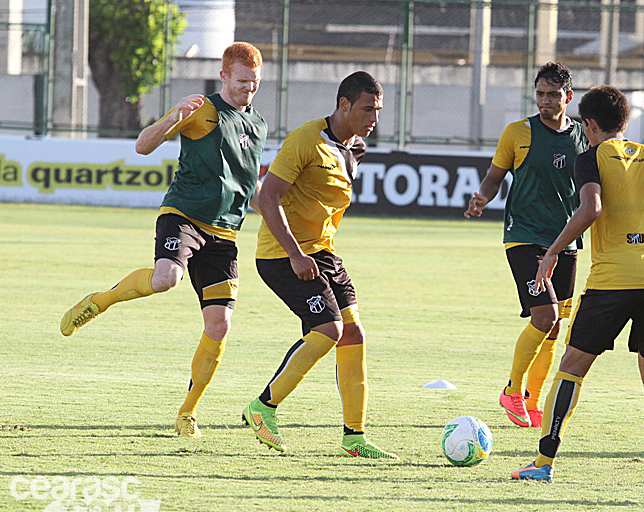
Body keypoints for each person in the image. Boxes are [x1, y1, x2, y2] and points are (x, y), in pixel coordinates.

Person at [60, 42, 268, 439]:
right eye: (242, 82)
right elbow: (143, 145)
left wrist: (276, 216)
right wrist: (174, 116)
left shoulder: (257, 123)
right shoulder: (202, 110)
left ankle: (187, 413)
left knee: (220, 325)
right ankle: (97, 302)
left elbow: (247, 185)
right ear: (224, 76)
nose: (248, 89)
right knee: (166, 278)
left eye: (255, 83)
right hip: (184, 216)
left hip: (225, 233)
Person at [510, 85, 644, 486]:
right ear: (626, 122)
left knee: (572, 367)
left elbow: (591, 208)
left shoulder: (591, 158)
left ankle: (544, 464)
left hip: (612, 282)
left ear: (591, 125)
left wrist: (551, 252)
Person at [241, 71, 398, 459]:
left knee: (354, 334)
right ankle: (263, 407)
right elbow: (269, 196)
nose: (373, 118)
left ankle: (354, 438)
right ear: (343, 105)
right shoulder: (305, 139)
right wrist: (295, 253)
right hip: (282, 255)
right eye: (366, 109)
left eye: (377, 110)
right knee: (328, 329)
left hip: (324, 253)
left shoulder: (356, 147)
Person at [465, 62, 588, 429]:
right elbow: (494, 176)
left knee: (555, 327)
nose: (545, 101)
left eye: (553, 94)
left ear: (568, 97)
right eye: (539, 94)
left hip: (565, 241)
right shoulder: (517, 132)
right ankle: (512, 390)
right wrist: (481, 198)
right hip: (524, 237)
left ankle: (533, 400)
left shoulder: (583, 136)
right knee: (544, 316)